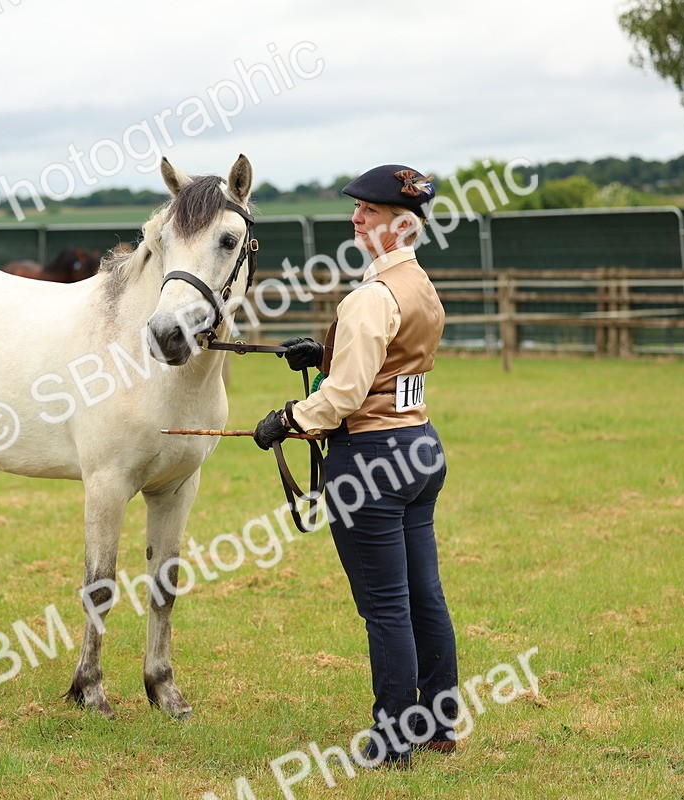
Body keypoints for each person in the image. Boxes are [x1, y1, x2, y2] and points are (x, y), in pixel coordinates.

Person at [253, 165, 457, 769]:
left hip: (371, 460)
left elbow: (343, 398)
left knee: (385, 607)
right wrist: (324, 352)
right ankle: (440, 721)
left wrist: (286, 421)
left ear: (398, 225)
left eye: (367, 211)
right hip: (419, 447)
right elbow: (393, 365)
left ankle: (393, 739)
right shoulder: (419, 285)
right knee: (425, 596)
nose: (356, 218)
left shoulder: (370, 296)